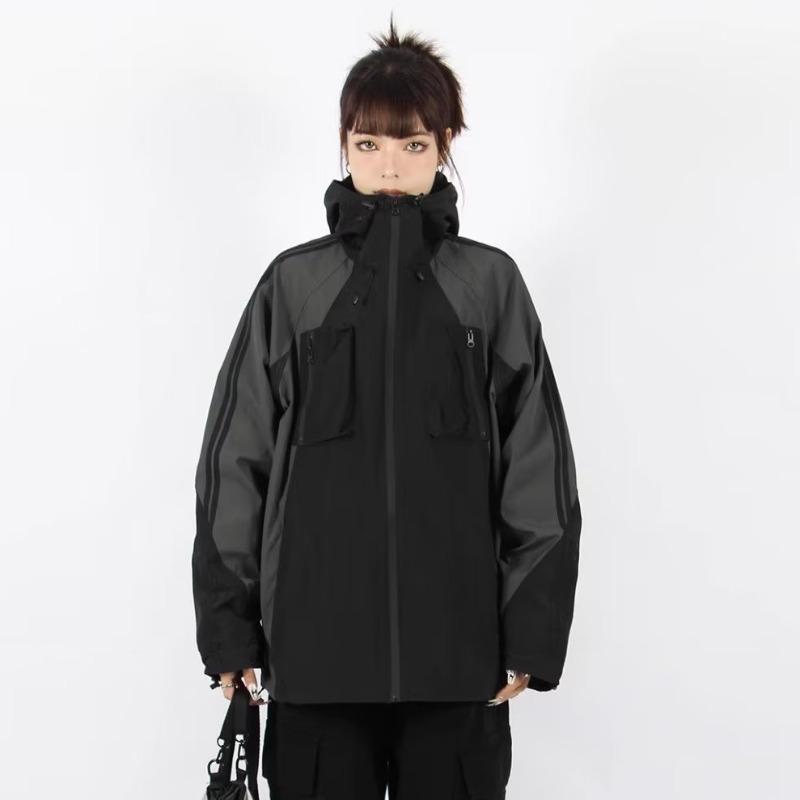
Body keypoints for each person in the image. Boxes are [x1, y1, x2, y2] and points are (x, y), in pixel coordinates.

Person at [191, 13, 582, 800]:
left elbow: (537, 464)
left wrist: (532, 633)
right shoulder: (294, 287)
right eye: (368, 144)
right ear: (344, 146)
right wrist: (230, 630)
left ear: (444, 145)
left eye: (412, 143)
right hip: (316, 664)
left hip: (458, 663)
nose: (390, 166)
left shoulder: (489, 285)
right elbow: (237, 463)